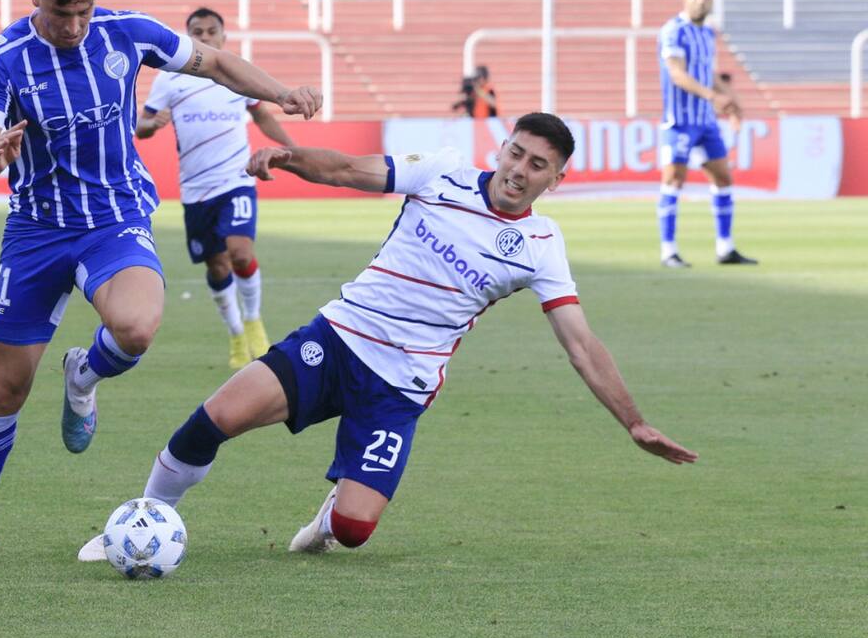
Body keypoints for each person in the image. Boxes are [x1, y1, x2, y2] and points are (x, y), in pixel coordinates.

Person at [78, 112, 697, 562]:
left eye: (538, 165)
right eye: (517, 153)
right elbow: (349, 169)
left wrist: (634, 423)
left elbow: (581, 344)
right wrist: (288, 157)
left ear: (555, 179)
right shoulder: (445, 173)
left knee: (353, 531)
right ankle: (142, 522)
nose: (519, 170)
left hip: (400, 387)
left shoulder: (541, 245)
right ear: (503, 148)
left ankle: (330, 516)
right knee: (211, 420)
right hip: (339, 340)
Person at [0, 0, 321, 569]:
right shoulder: (4, 59)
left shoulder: (127, 33)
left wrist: (279, 92)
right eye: (61, 13)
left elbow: (215, 63)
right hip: (36, 230)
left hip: (114, 218)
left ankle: (84, 375)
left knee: (136, 328)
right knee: (5, 387)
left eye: (83, 11)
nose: (74, 26)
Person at [137, 7, 296, 370]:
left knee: (240, 253)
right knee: (217, 265)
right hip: (196, 188)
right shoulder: (169, 78)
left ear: (224, 37)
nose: (205, 37)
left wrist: (293, 149)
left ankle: (253, 321)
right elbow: (141, 126)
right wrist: (152, 124)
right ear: (188, 36)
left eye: (212, 31)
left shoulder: (236, 74)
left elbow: (262, 115)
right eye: (198, 32)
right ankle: (236, 333)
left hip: (236, 178)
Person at [657, 0, 757, 268]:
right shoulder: (674, 31)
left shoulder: (708, 33)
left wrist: (733, 102)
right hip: (680, 121)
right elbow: (677, 74)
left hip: (706, 121)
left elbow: (708, 73)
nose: (702, 1)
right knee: (674, 180)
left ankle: (725, 248)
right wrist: (714, 97)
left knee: (723, 178)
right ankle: (668, 251)